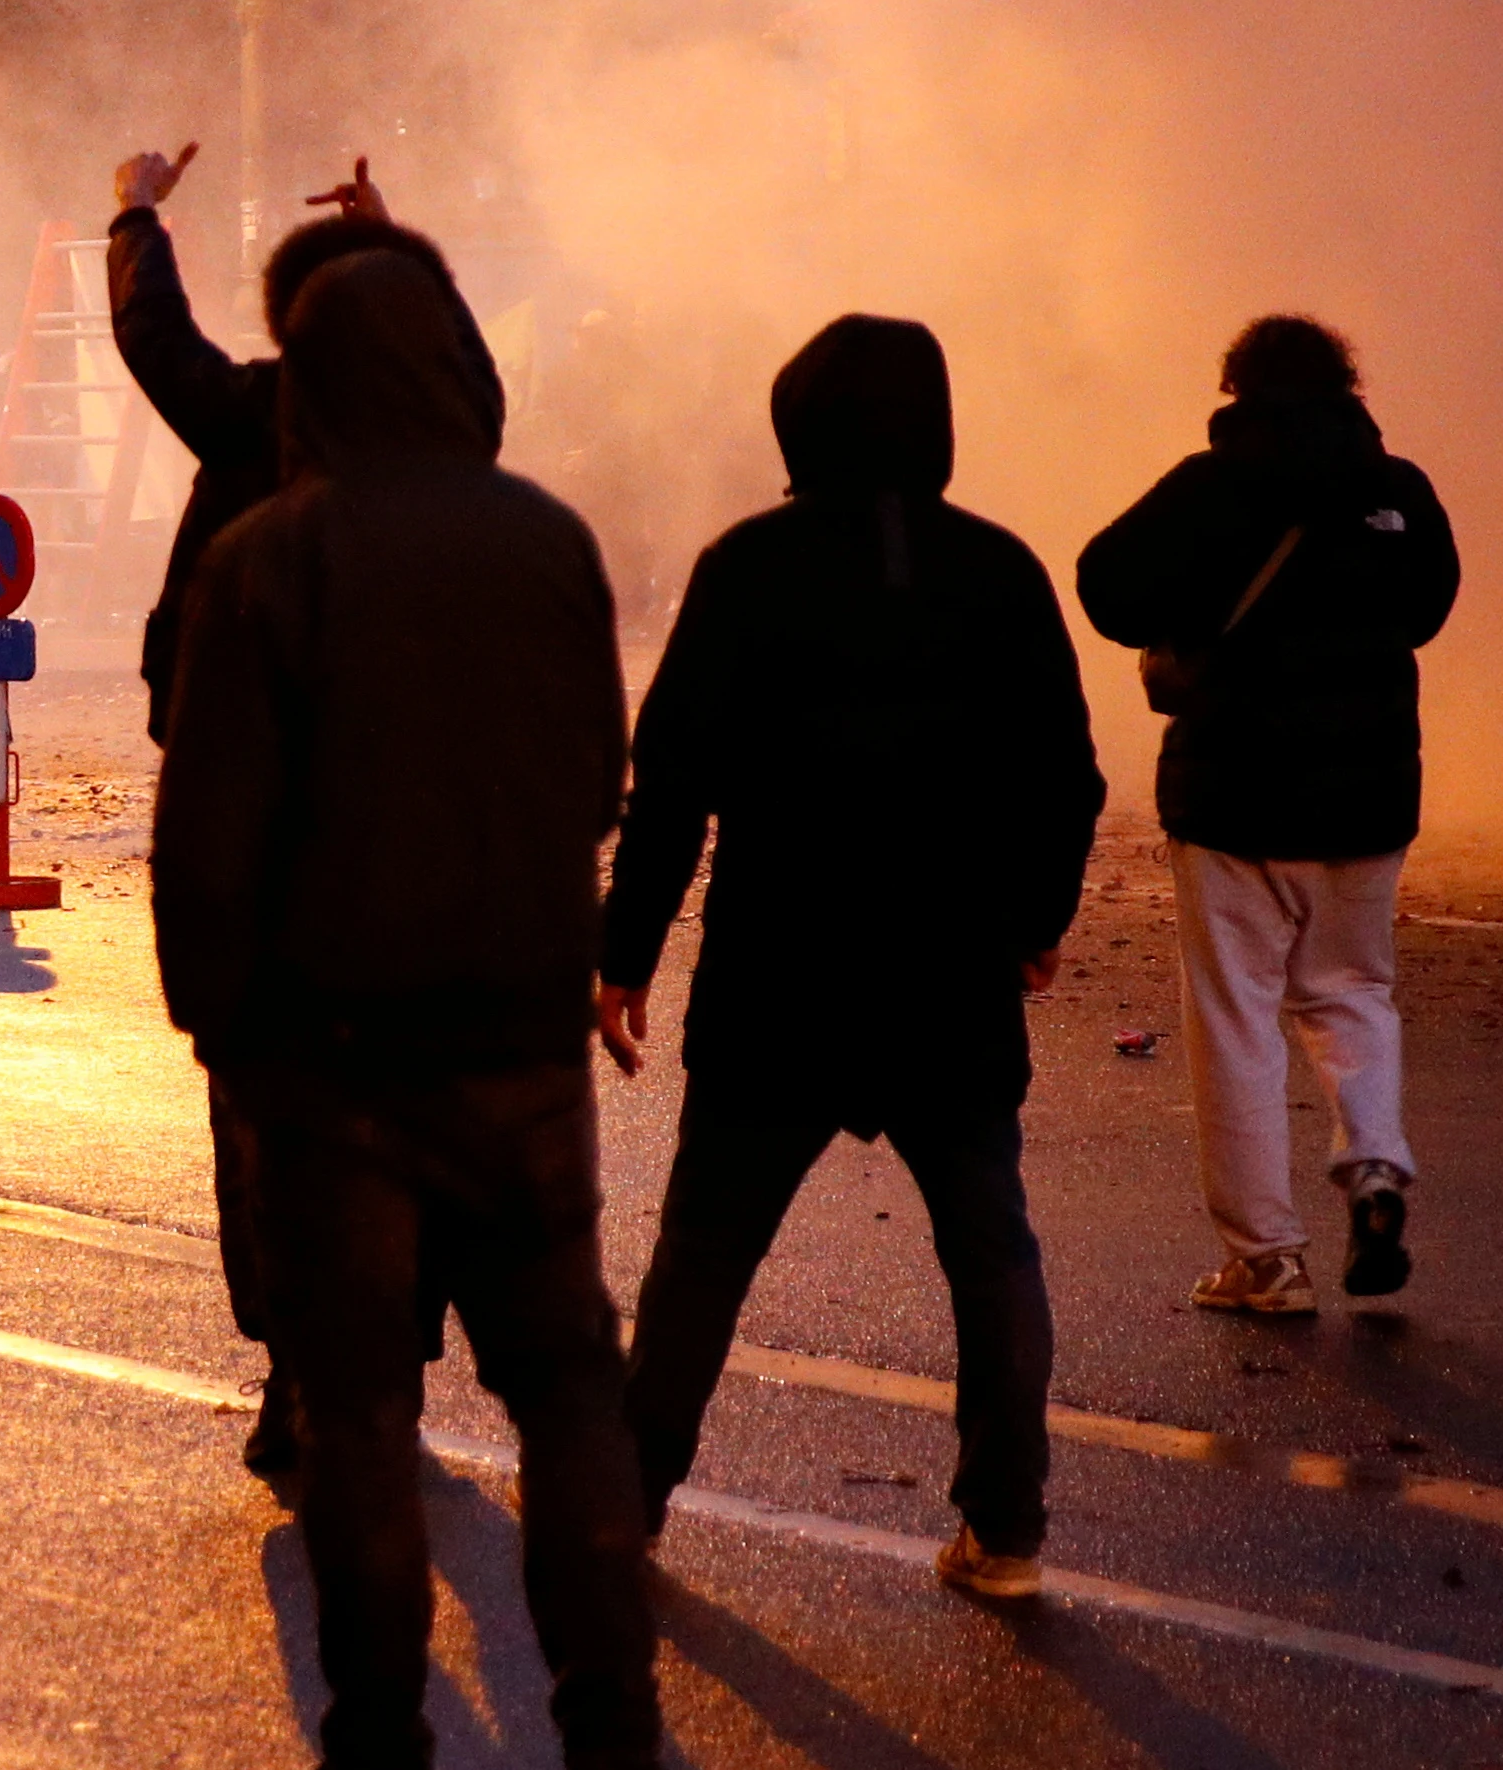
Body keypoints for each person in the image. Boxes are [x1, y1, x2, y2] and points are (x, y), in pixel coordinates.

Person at [151, 248, 657, 1770]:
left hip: (333, 1066)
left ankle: (379, 1731)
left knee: (362, 1412)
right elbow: (592, 775)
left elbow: (209, 840)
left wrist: (226, 1032)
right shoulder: (551, 540)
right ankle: (611, 1724)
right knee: (568, 1385)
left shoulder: (265, 555)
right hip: (516, 1051)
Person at [594, 317, 1102, 1602]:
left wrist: (625, 952)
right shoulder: (999, 572)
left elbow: (672, 783)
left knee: (705, 1250)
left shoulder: (746, 567)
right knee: (990, 1250)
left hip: (779, 970)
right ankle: (1007, 1529)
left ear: (795, 424)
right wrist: (1033, 922)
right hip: (948, 974)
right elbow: (1067, 775)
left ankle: (626, 1505)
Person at [105, 145, 451, 1504]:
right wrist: (397, 243)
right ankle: (370, 1373)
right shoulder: (446, 446)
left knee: (259, 1122)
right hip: (398, 842)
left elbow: (153, 341)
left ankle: (297, 1373)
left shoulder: (257, 418)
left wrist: (134, 210)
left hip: (271, 847)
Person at [1079, 315, 1460, 1317]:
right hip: (1368, 799)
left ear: (1235, 387)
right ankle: (1374, 1169)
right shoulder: (1396, 489)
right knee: (1351, 991)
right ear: (1345, 382)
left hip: (1232, 796)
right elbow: (1425, 611)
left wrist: (1190, 609)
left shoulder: (1210, 487)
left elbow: (1103, 585)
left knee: (1236, 1016)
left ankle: (1264, 1258)